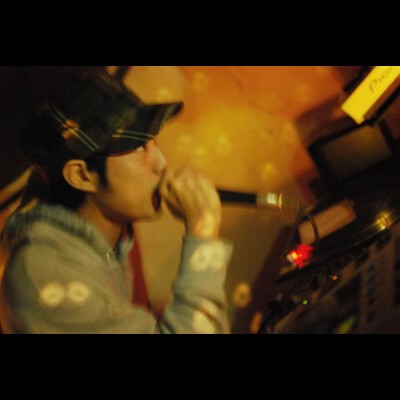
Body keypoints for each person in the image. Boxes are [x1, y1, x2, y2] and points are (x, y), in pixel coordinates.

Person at [0, 71, 233, 334]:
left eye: (153, 142)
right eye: (138, 147)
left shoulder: (110, 241)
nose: (161, 163)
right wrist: (202, 231)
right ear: (82, 175)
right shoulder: (45, 274)